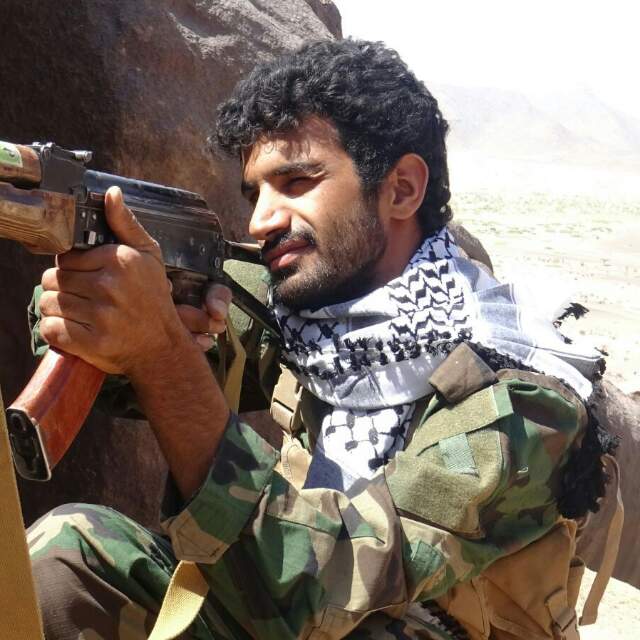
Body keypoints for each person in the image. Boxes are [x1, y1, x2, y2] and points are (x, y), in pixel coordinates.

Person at [27, 39, 614, 640]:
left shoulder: (519, 400)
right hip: (296, 601)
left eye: (297, 181)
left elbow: (329, 584)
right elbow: (121, 378)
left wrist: (162, 354)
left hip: (361, 608)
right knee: (71, 555)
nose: (260, 220)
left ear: (402, 189)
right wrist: (101, 306)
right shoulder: (318, 313)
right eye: (255, 193)